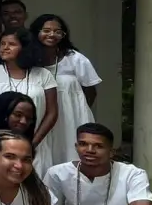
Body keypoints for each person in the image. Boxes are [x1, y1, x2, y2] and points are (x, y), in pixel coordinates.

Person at [0, 27, 58, 175]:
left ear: (25, 48)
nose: (5, 48)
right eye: (2, 44)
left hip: (35, 143)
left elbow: (52, 112)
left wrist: (32, 143)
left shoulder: (43, 74)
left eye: (11, 44)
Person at [31, 14, 103, 166]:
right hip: (41, 117)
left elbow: (91, 91)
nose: (52, 34)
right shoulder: (29, 59)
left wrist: (77, 112)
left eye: (58, 31)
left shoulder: (75, 58)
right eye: (46, 30)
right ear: (36, 32)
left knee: (69, 154)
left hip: (71, 117)